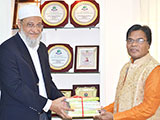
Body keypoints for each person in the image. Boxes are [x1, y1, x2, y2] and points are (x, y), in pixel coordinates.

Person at [0, 5, 72, 120]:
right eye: (30, 25)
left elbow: (47, 82)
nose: (36, 29)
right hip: (18, 115)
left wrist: (64, 101)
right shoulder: (7, 49)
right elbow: (15, 87)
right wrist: (50, 105)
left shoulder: (42, 48)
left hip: (43, 115)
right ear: (19, 24)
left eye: (39, 25)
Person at [95, 24, 160, 120]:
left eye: (140, 40)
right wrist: (103, 111)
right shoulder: (126, 67)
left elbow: (148, 108)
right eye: (130, 40)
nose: (133, 44)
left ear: (149, 44)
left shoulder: (154, 69)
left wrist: (114, 117)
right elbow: (120, 101)